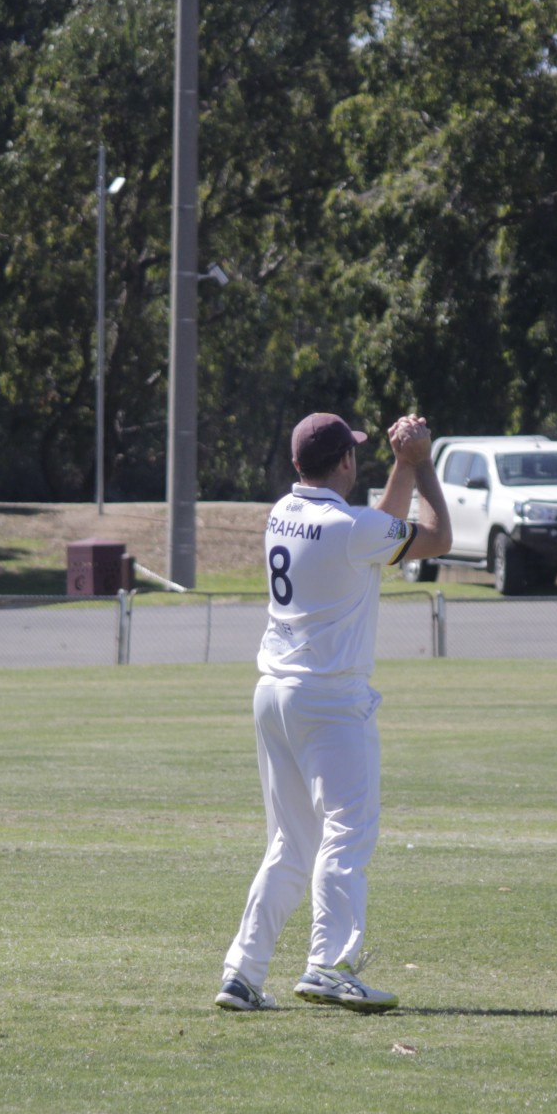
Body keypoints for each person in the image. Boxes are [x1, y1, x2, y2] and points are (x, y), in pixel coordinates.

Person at [214, 412, 451, 1014]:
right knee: (347, 833)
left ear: (298, 465)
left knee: (291, 844)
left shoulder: (282, 513)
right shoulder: (352, 527)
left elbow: (378, 530)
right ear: (345, 462)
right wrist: (421, 463)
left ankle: (243, 973)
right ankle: (331, 964)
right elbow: (436, 535)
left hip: (274, 694)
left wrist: (400, 464)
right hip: (329, 700)